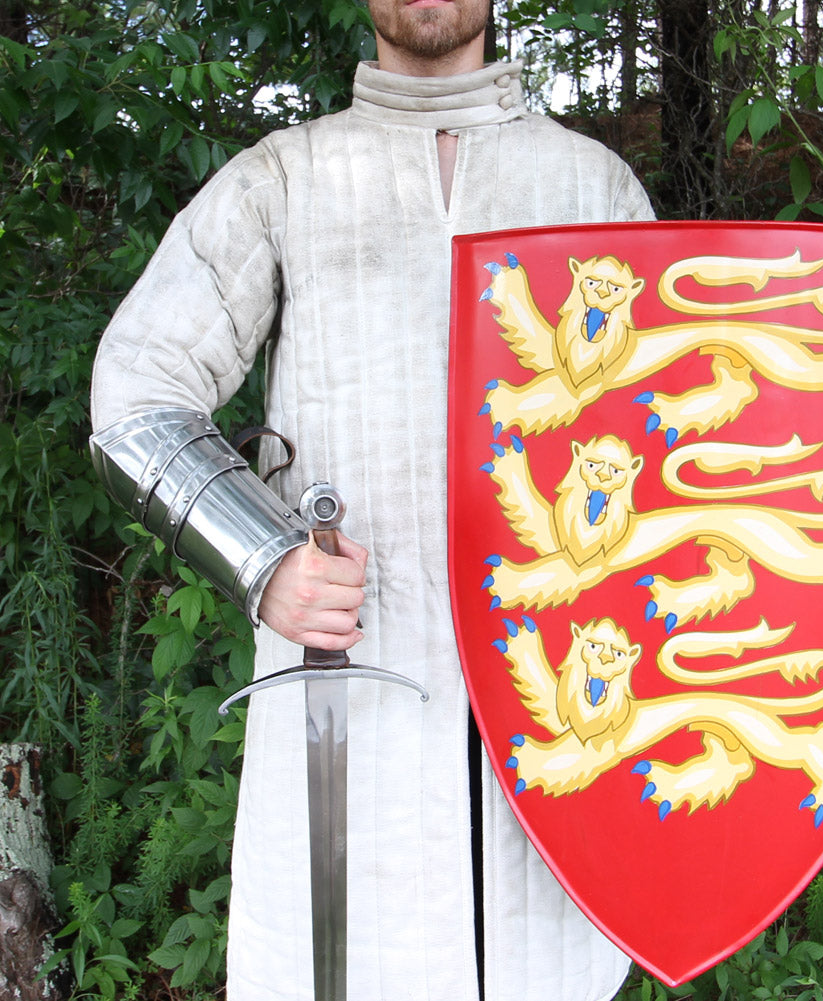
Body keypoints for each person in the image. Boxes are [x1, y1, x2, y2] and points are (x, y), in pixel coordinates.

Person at [90, 1, 654, 999]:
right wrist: (262, 560)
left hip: (550, 716)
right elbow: (137, 390)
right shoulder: (284, 176)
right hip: (348, 693)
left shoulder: (591, 185)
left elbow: (651, 450)